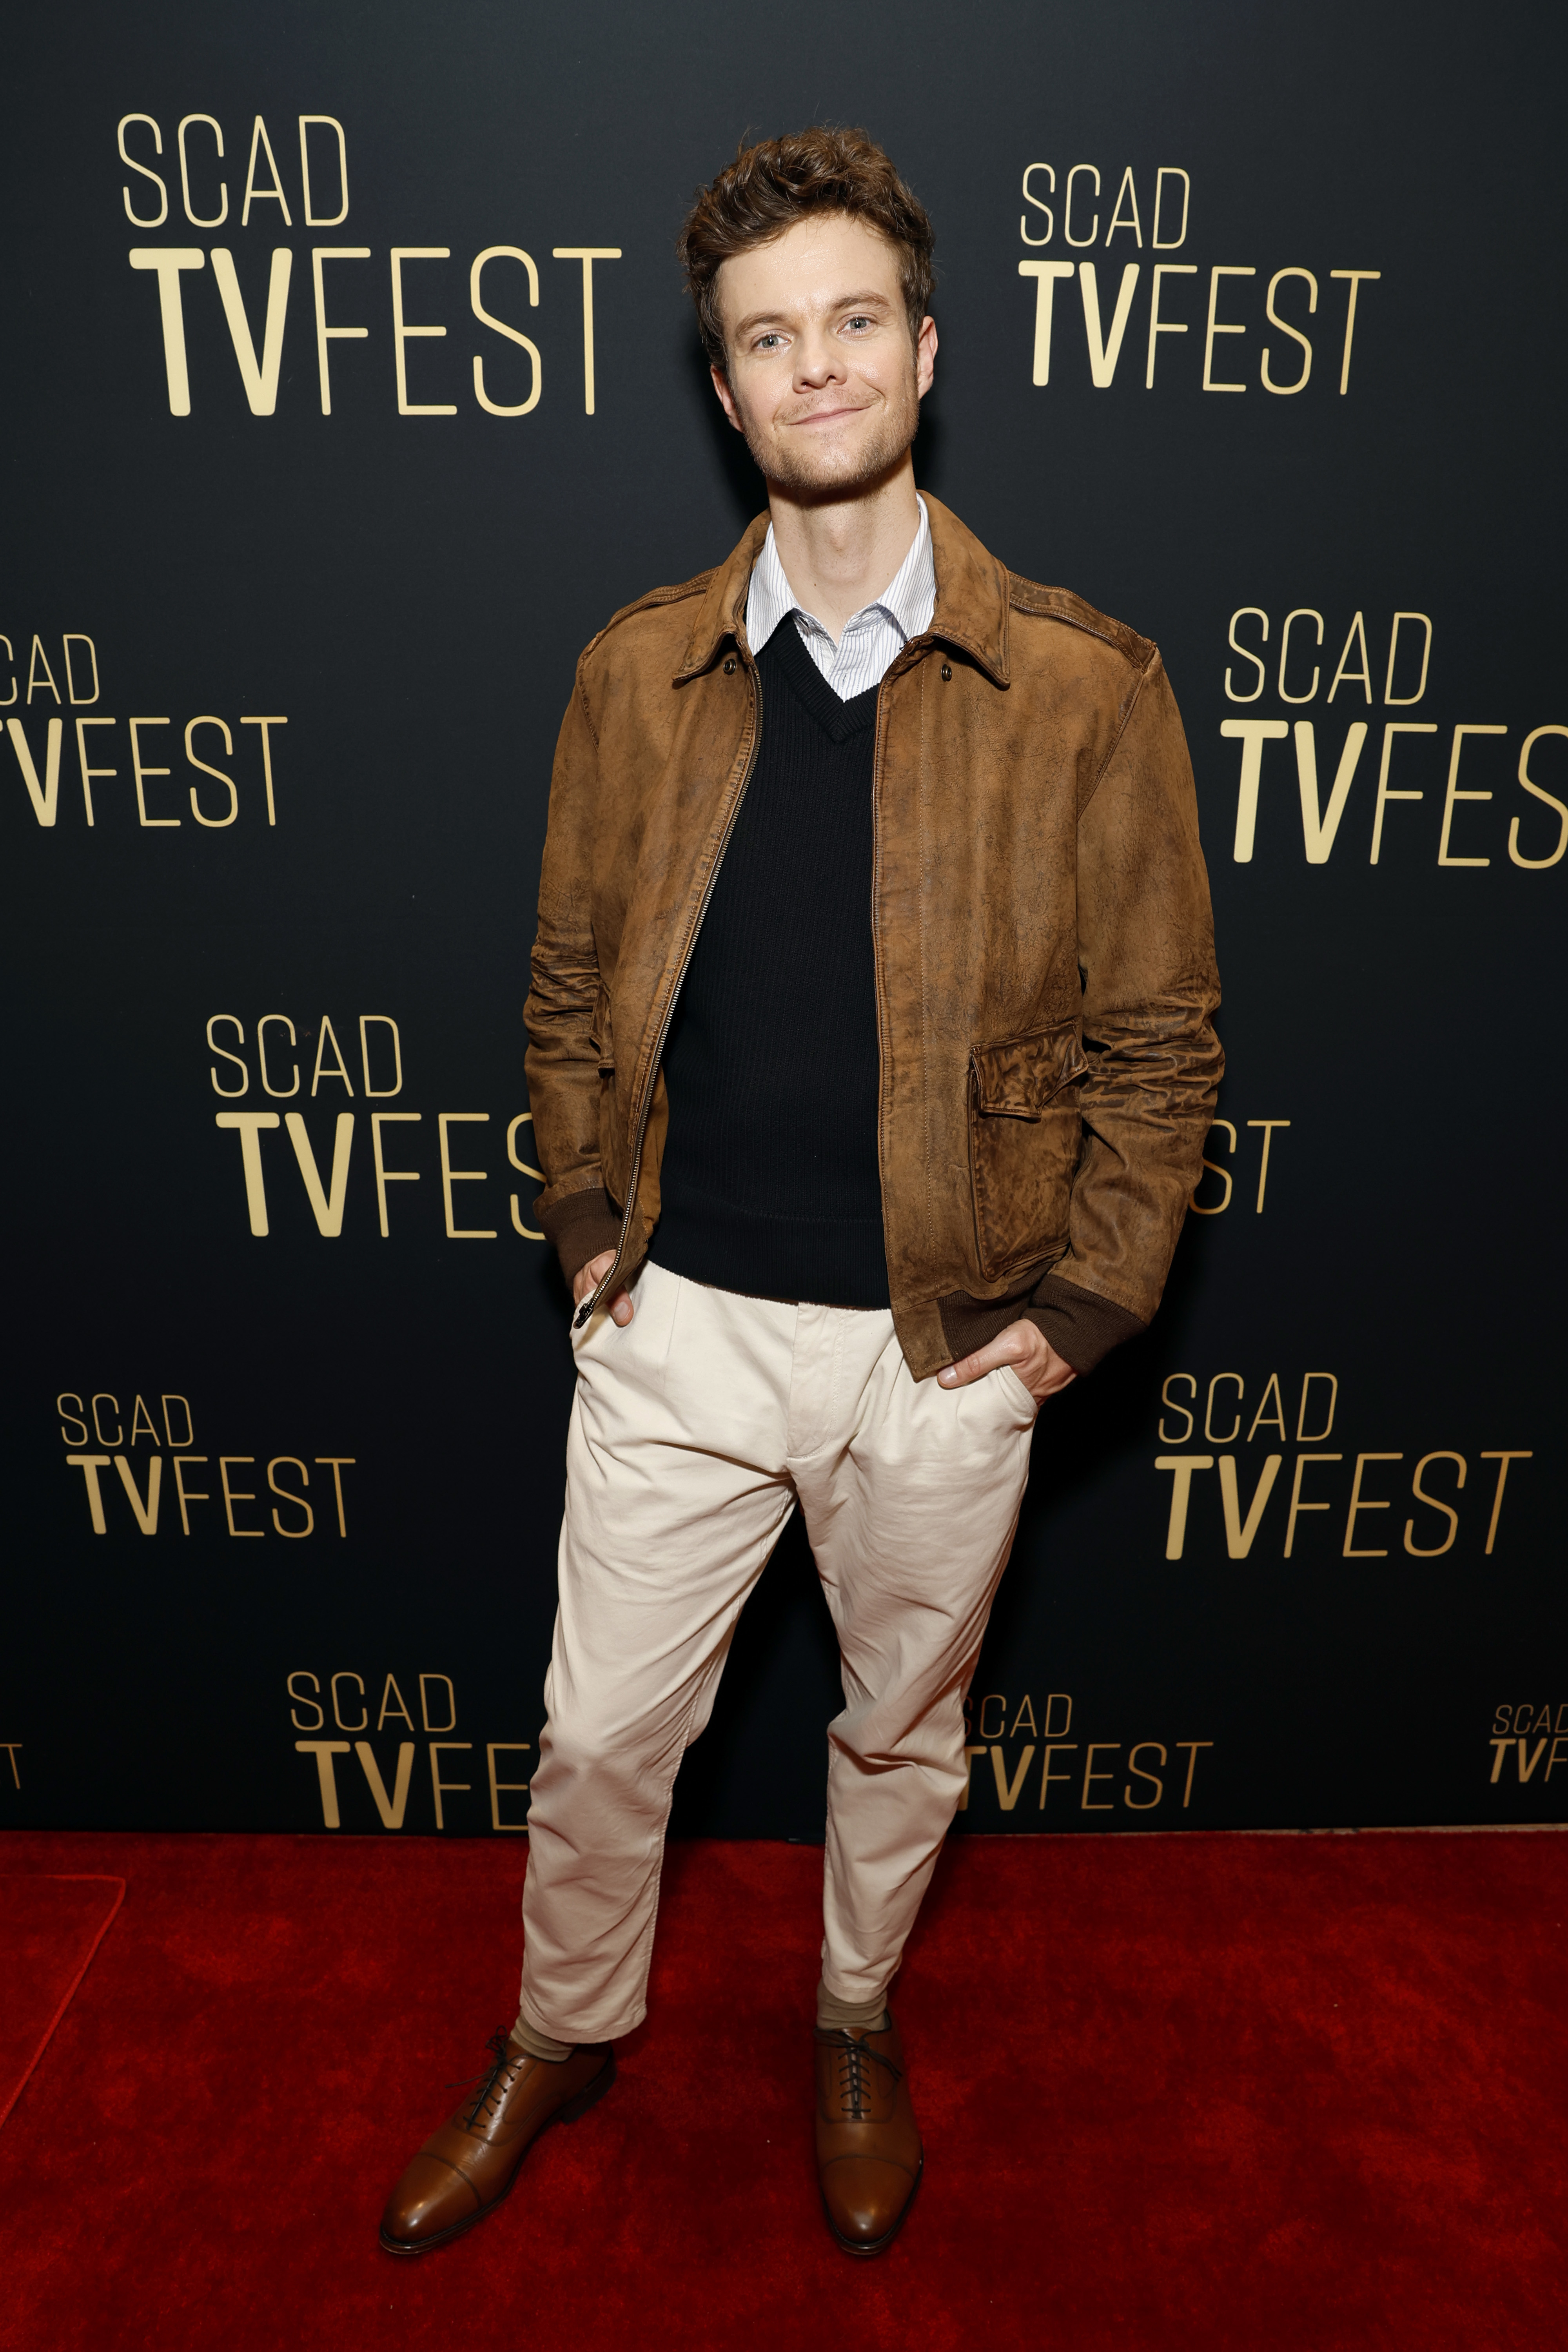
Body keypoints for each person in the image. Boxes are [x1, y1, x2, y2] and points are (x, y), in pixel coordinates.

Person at [380, 125, 1221, 2261]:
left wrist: (1094, 1306)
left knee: (897, 1737)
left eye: (856, 321)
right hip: (682, 1324)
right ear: (727, 387)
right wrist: (589, 1246)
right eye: (772, 337)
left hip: (945, 1348)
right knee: (591, 1741)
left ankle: (854, 2015)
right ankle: (563, 2028)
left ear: (925, 351)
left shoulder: (1091, 687)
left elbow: (1165, 1033)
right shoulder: (634, 671)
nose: (818, 365)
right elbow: (569, 986)